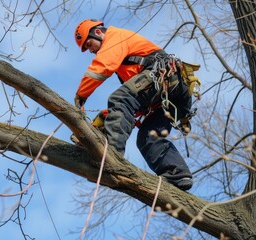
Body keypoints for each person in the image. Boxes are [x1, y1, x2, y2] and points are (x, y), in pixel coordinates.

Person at [73, 19, 195, 191]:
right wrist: (106, 119)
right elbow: (133, 105)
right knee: (147, 136)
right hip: (170, 98)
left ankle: (111, 158)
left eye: (90, 44)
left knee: (120, 98)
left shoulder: (115, 37)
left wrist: (81, 95)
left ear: (98, 33)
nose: (91, 50)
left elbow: (102, 68)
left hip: (166, 79)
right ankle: (177, 174)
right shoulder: (126, 66)